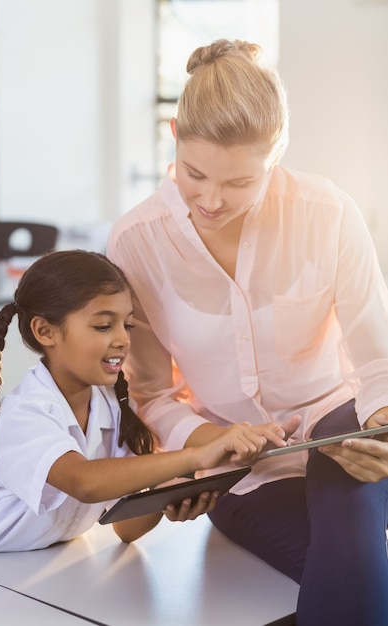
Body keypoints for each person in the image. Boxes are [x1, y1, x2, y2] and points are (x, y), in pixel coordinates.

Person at [107, 39, 388, 626]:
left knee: (347, 503)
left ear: (277, 152)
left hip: (339, 436)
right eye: (194, 173)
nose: (210, 200)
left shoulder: (327, 213)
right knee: (353, 570)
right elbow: (152, 394)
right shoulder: (137, 243)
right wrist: (207, 440)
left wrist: (383, 432)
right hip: (240, 475)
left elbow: (378, 366)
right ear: (175, 136)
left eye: (239, 183)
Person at [0, 249, 288, 556]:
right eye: (103, 326)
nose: (123, 339)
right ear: (45, 331)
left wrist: (167, 496)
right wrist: (197, 456)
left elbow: (127, 528)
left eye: (128, 324)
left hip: (51, 562)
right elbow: (85, 481)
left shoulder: (112, 405)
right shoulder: (26, 413)